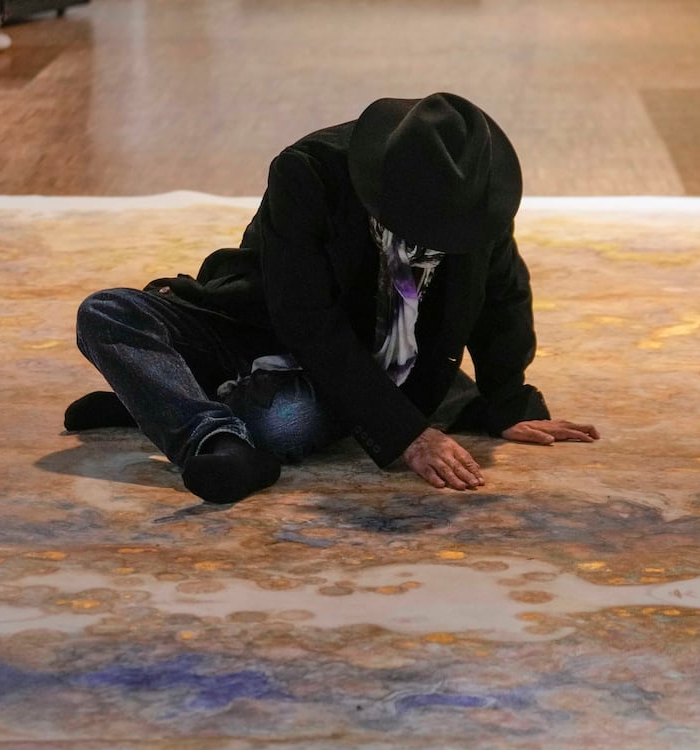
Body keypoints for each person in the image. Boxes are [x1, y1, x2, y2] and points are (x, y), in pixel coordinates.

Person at [65, 91, 598, 504]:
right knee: (107, 313)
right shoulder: (309, 171)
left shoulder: (475, 203)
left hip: (378, 361)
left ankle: (165, 402)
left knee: (283, 423)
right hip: (269, 326)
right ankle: (212, 437)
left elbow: (502, 297)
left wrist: (507, 401)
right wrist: (409, 436)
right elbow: (303, 316)